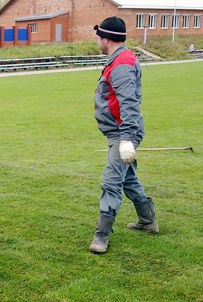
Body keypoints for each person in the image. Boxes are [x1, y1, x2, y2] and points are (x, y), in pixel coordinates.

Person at [90, 17, 158, 254]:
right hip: (118, 132)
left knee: (111, 182)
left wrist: (127, 139)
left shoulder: (121, 64)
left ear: (106, 38)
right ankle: (148, 220)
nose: (97, 40)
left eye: (98, 36)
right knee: (127, 179)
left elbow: (128, 103)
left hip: (123, 132)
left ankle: (101, 236)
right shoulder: (120, 59)